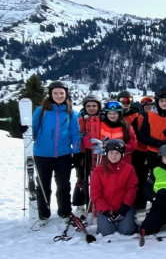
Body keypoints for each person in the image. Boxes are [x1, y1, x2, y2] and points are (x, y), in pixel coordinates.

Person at [31, 80, 81, 220]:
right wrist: (24, 130)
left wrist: (76, 152)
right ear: (50, 94)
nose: (59, 95)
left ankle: (64, 212)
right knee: (43, 185)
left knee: (64, 185)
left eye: (61, 93)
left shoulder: (70, 113)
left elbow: (75, 134)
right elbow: (32, 130)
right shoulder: (41, 111)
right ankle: (43, 213)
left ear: (66, 94)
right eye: (56, 93)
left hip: (63, 155)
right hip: (42, 154)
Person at [91, 139, 138, 236]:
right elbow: (95, 193)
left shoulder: (129, 169)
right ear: (106, 153)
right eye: (111, 153)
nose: (114, 156)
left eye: (117, 153)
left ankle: (130, 220)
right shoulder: (98, 171)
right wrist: (105, 210)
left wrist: (125, 207)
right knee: (106, 232)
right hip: (106, 208)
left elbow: (132, 189)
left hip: (124, 207)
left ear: (122, 155)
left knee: (126, 231)